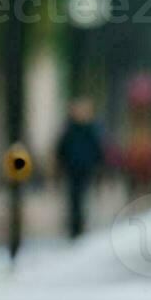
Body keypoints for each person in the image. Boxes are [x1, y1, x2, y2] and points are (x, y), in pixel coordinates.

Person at [55, 98, 105, 238]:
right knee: (73, 199)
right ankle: (74, 227)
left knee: (83, 197)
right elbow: (61, 148)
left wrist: (99, 166)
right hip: (72, 169)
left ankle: (81, 224)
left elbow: (98, 149)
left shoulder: (91, 129)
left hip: (86, 169)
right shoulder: (69, 129)